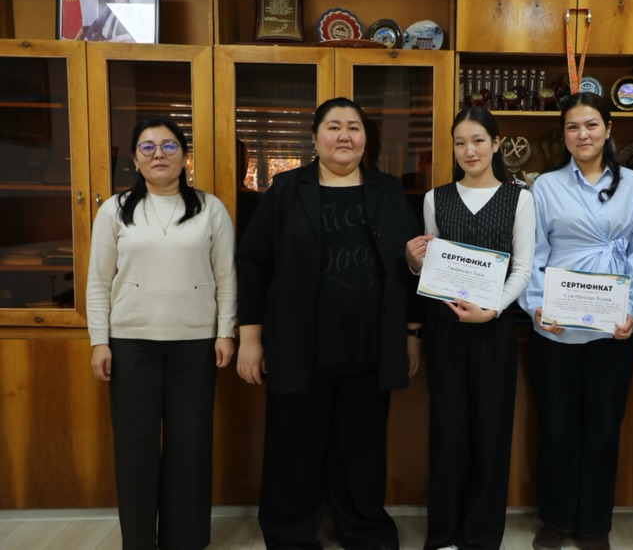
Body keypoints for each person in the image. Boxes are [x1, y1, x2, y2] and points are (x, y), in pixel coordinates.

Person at [235, 96, 423, 550]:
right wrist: (250, 338)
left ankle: (362, 528)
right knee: (295, 446)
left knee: (362, 447)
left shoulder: (388, 191)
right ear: (315, 138)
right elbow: (254, 262)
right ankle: (291, 533)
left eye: (354, 127)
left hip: (370, 346)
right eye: (334, 127)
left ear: (365, 139)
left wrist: (412, 334)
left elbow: (410, 269)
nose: (344, 136)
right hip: (299, 343)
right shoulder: (286, 189)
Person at [86, 118, 237, 549]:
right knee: (135, 447)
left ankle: (185, 540)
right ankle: (138, 540)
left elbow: (226, 276)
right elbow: (99, 280)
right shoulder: (114, 210)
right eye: (147, 147)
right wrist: (100, 340)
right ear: (134, 159)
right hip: (131, 343)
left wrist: (225, 331)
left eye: (169, 146)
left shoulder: (210, 208)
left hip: (196, 341)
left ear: (184, 157)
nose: (158, 154)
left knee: (190, 445)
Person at [517, 92, 633, 550]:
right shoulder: (545, 187)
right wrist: (537, 306)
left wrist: (631, 310)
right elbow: (532, 255)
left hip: (613, 328)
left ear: (609, 129)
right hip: (555, 327)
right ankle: (556, 521)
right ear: (563, 135)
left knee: (602, 428)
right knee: (557, 428)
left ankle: (595, 525)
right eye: (573, 127)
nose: (583, 134)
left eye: (592, 125)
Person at [406, 106, 535, 550]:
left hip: (494, 331)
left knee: (490, 434)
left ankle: (481, 537)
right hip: (445, 331)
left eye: (478, 140)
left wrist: (492, 310)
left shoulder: (519, 198)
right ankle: (444, 533)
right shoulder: (435, 198)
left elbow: (523, 269)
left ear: (496, 144)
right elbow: (430, 266)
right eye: (460, 142)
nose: (469, 150)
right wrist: (415, 263)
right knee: (447, 431)